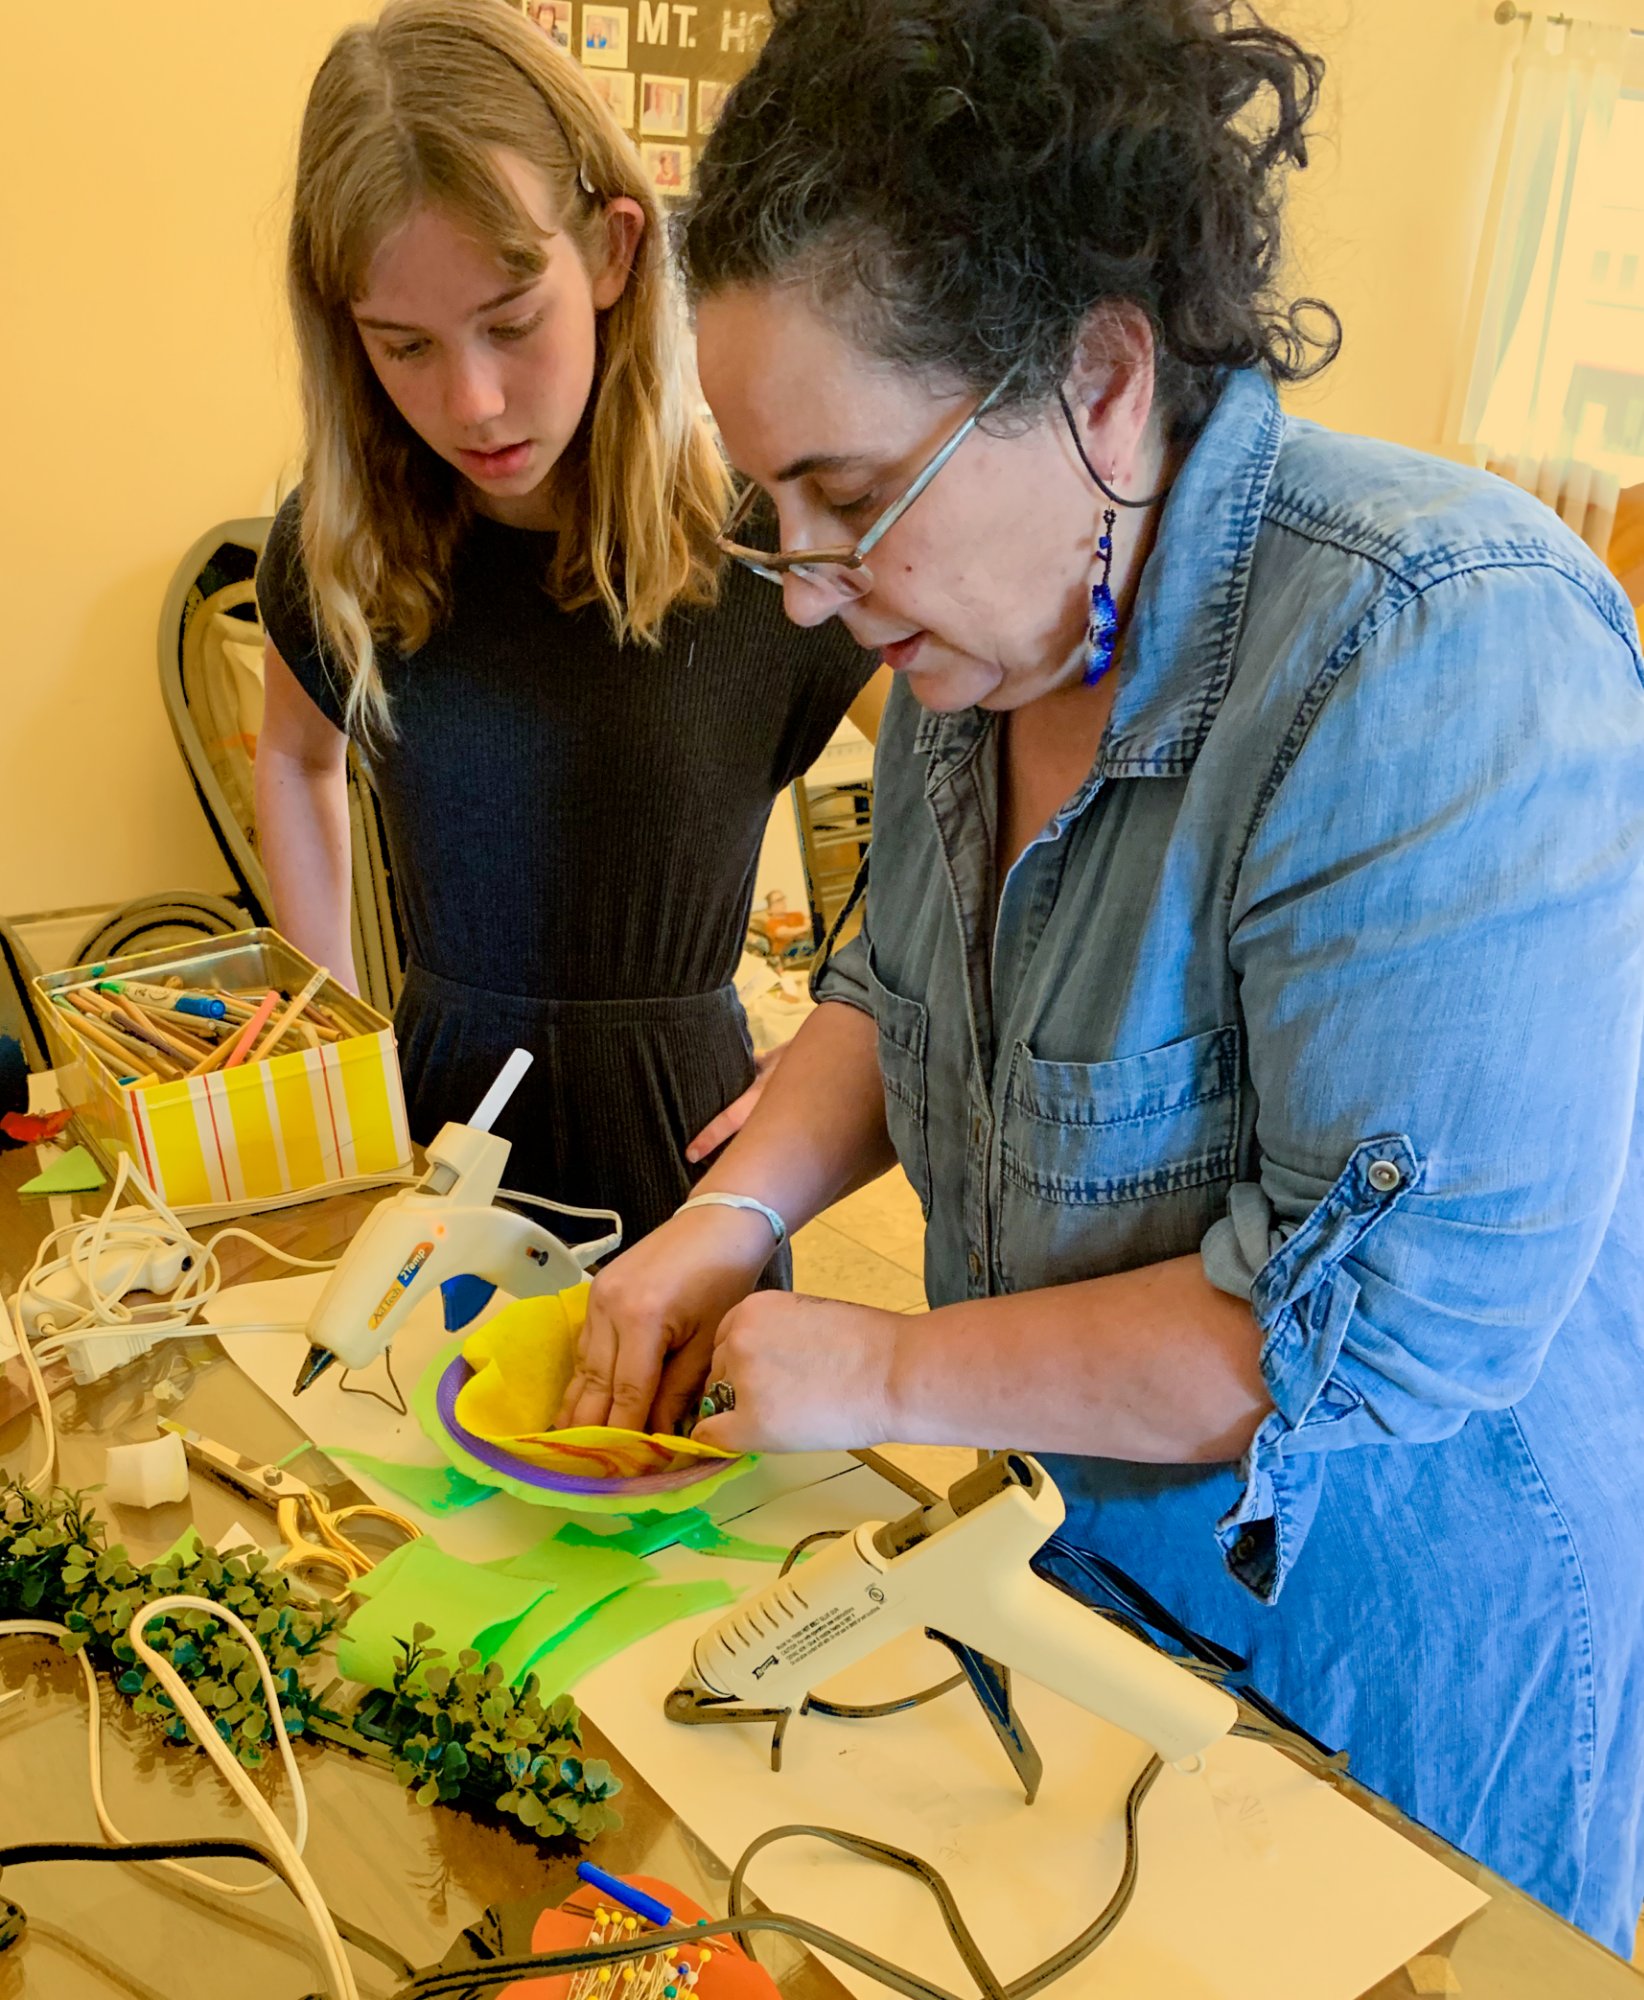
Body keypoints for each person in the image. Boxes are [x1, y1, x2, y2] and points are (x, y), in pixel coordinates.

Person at [557, 0, 1644, 1952]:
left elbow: (1371, 1335)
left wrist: (885, 1367)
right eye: (769, 506)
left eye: (848, 495)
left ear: (1108, 382)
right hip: (1065, 1592)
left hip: (1369, 1697)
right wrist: (726, 1217)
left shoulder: (1438, 646)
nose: (804, 589)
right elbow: (897, 988)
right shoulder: (993, 627)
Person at [254, 0, 876, 1251]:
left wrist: (861, 1034)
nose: (472, 401)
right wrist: (330, 1046)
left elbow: (965, 768)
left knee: (689, 1448)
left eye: (510, 321)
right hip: (437, 1138)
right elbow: (293, 755)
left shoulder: (762, 526)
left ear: (609, 251)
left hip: (690, 1154)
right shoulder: (343, 542)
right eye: (405, 346)